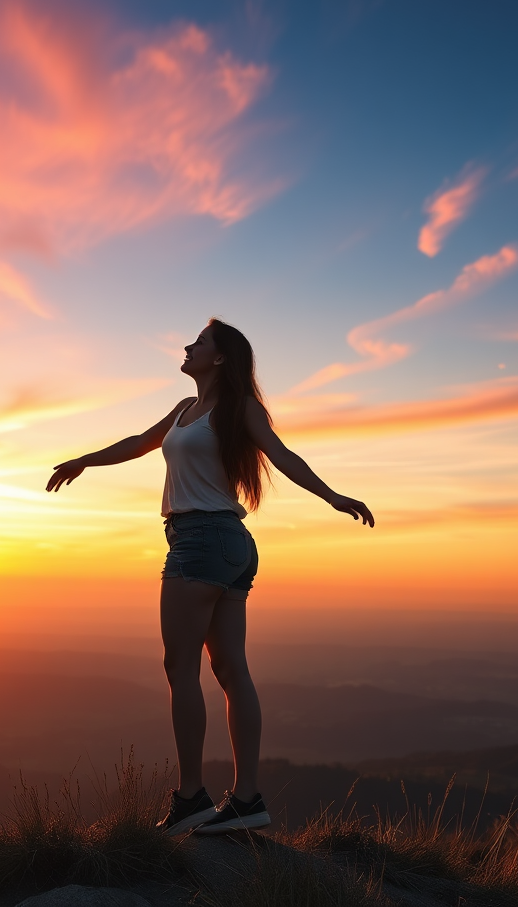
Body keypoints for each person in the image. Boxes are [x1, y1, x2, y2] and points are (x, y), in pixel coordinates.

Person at [46, 319, 374, 835]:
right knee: (230, 671)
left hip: (203, 542)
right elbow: (139, 443)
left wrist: (333, 496)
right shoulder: (184, 411)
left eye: (198, 342)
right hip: (225, 546)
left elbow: (281, 455)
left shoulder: (239, 408)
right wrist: (85, 460)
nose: (186, 345)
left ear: (220, 359)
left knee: (181, 668)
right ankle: (246, 801)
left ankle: (193, 797)